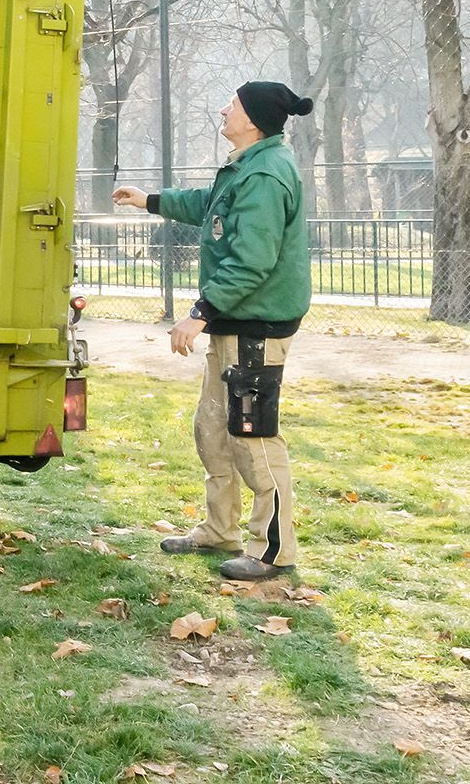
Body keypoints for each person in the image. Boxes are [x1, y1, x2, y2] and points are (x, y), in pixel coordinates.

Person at [113, 81, 315, 582]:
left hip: (257, 326)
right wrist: (150, 201)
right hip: (235, 323)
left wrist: (200, 311)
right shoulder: (245, 166)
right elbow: (211, 204)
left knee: (254, 438)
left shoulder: (267, 174)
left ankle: (273, 551)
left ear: (253, 118)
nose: (224, 109)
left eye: (234, 104)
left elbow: (253, 261)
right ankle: (220, 529)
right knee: (213, 429)